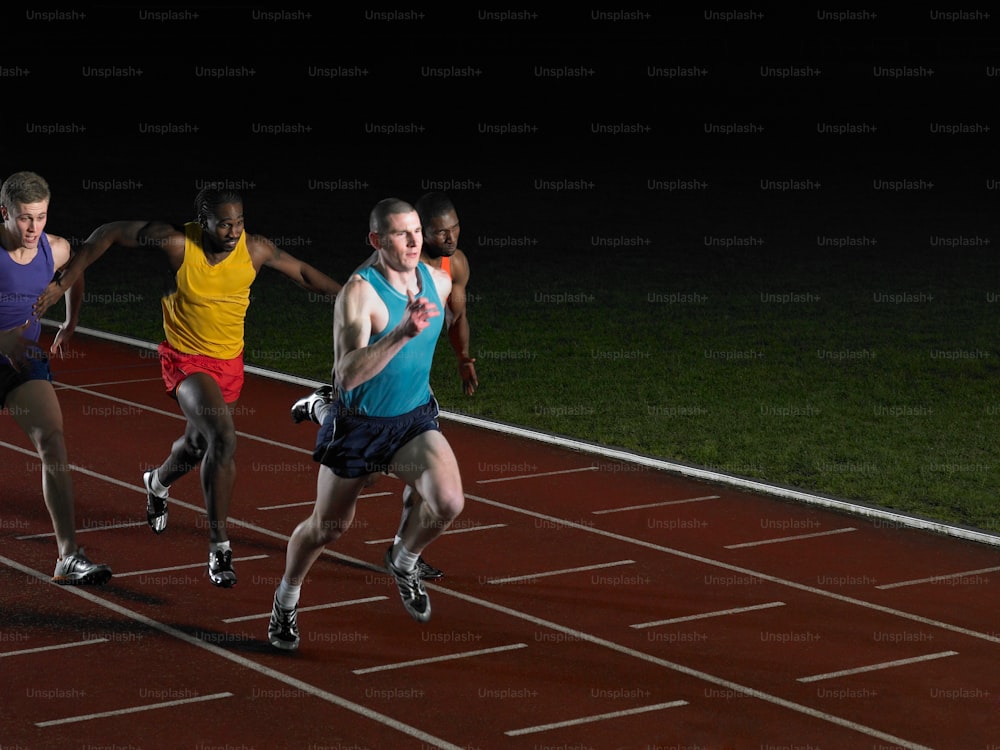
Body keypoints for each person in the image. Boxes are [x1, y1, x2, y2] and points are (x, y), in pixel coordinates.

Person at [35, 186, 343, 588]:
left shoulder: (255, 250)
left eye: (240, 222)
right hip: (185, 361)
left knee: (197, 446)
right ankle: (219, 548)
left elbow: (303, 274)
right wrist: (65, 280)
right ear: (203, 222)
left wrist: (353, 294)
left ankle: (157, 481)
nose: (233, 231)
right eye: (224, 224)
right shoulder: (178, 244)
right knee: (223, 437)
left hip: (229, 364)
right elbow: (109, 231)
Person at [268, 197, 465, 650]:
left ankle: (404, 558)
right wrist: (401, 333)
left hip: (412, 419)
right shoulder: (359, 293)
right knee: (329, 528)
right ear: (377, 241)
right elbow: (346, 374)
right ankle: (286, 596)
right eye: (401, 233)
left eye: (417, 230)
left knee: (449, 501)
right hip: (358, 424)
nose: (415, 240)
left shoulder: (437, 279)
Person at [0, 171, 112, 585]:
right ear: (5, 213)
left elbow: (77, 266)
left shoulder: (55, 248)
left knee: (53, 441)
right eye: (25, 218)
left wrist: (71, 320)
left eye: (41, 217)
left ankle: (68, 555)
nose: (34, 228)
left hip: (22, 363)